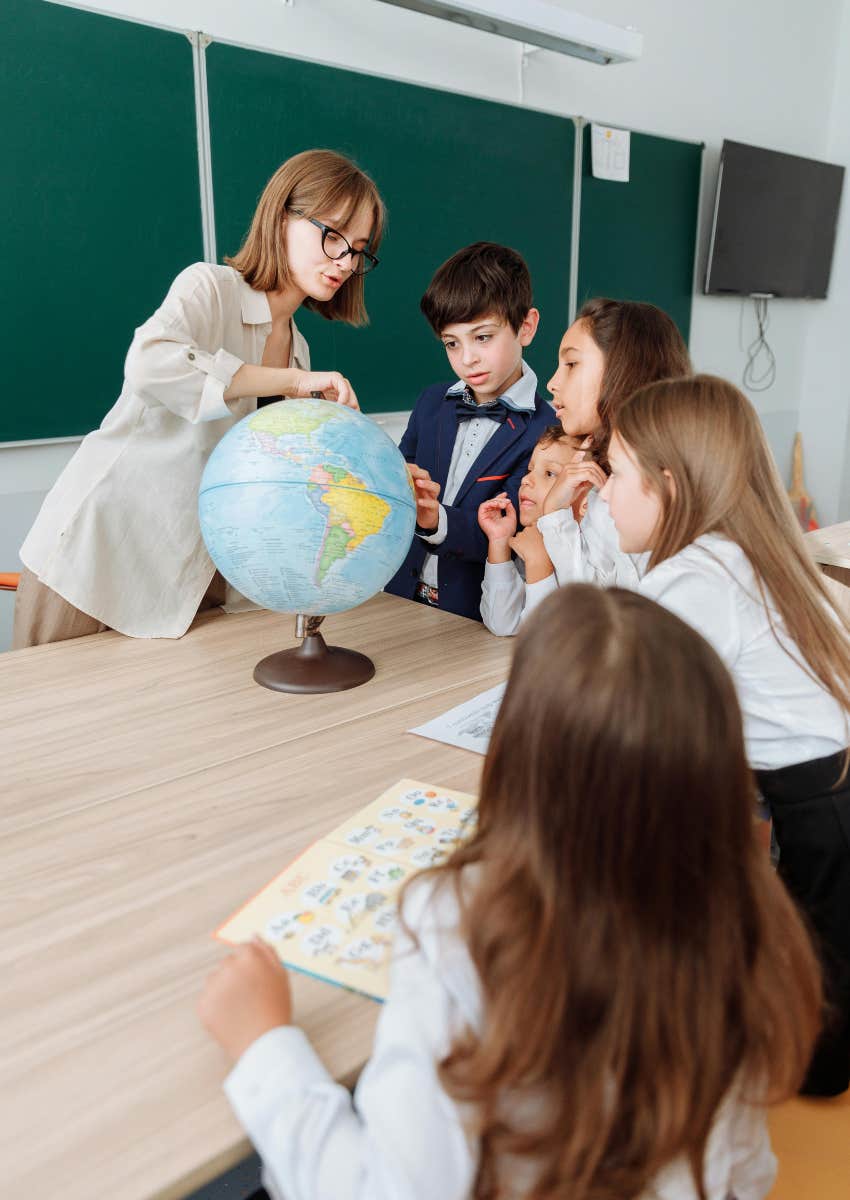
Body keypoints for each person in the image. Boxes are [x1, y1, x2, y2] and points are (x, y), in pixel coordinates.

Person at [199, 585, 821, 1200]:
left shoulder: (458, 922)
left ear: (516, 753)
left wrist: (265, 1048)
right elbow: (745, 1174)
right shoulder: (753, 926)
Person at [13, 149, 384, 646]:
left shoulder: (299, 351)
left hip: (179, 586)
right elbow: (149, 364)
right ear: (281, 219)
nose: (344, 261)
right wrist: (288, 385)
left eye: (358, 249)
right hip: (93, 560)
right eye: (333, 235)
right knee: (49, 719)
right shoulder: (211, 289)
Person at [602, 373, 850, 1097]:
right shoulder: (746, 551)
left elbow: (624, 707)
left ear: (669, 487)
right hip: (825, 792)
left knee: (816, 1039)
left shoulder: (698, 577)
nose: (604, 493)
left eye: (617, 474)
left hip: (821, 810)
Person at [383, 242, 555, 621]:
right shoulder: (431, 403)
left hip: (474, 616)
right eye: (451, 343)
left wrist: (434, 519)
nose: (467, 359)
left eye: (483, 337)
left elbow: (508, 534)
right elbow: (397, 479)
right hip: (398, 598)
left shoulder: (548, 433)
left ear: (525, 327)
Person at [536, 296, 691, 592]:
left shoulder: (662, 487)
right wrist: (554, 510)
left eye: (571, 363)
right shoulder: (599, 477)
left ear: (624, 369)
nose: (552, 383)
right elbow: (593, 601)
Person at [478, 424, 586, 635]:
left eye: (549, 473)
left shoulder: (585, 557)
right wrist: (499, 543)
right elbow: (503, 624)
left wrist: (539, 564)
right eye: (530, 470)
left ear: (586, 497)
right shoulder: (534, 538)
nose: (526, 480)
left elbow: (545, 640)